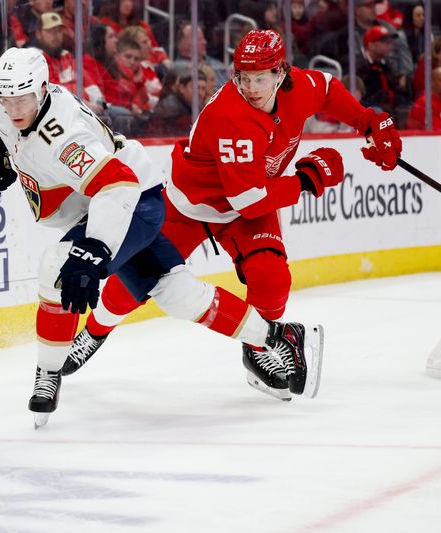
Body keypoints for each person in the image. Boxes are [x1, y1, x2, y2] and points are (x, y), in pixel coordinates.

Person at [0, 46, 324, 428]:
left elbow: (119, 186)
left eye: (21, 99)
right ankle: (279, 336)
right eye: (5, 98)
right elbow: (6, 130)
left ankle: (47, 375)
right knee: (178, 296)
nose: (12, 109)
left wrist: (95, 249)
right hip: (102, 203)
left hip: (133, 203)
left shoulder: (63, 138)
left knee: (55, 268)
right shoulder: (12, 100)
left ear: (43, 89)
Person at [62, 29, 402, 401]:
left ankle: (257, 353)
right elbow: (251, 202)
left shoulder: (297, 87)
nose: (252, 87)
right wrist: (306, 179)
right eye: (244, 77)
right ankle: (94, 332)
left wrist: (366, 120)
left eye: (261, 78)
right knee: (138, 280)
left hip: (247, 200)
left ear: (281, 74)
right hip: (190, 204)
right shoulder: (232, 116)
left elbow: (326, 87)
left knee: (272, 278)